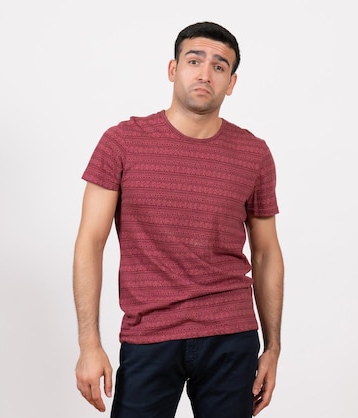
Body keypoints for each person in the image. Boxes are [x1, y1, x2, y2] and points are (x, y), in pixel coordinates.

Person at [73, 21, 284, 418]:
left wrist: (273, 347)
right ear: (173, 69)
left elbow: (267, 251)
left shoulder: (253, 153)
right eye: (194, 60)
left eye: (219, 66)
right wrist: (89, 344)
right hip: (149, 333)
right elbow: (89, 243)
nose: (205, 73)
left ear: (232, 82)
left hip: (231, 335)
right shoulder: (122, 143)